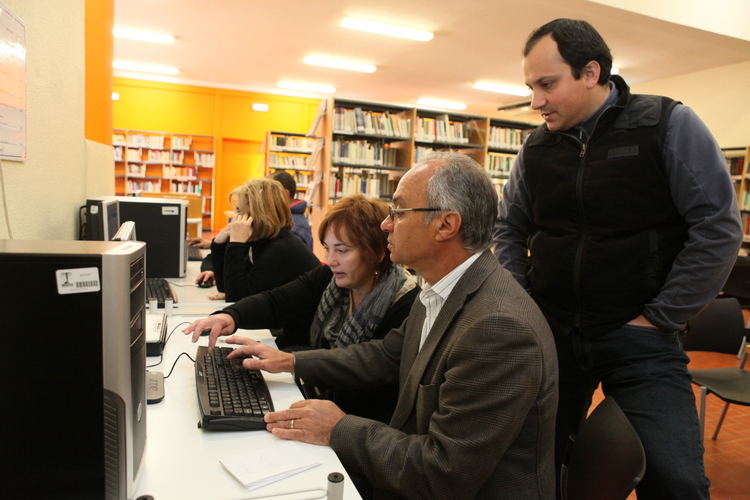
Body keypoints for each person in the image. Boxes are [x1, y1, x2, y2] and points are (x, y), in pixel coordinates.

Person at [186, 152, 558, 500]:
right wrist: (291, 362)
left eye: (398, 212)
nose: (386, 224)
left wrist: (338, 428)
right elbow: (385, 354)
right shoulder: (442, 291)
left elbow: (443, 472)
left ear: (446, 225)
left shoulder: (497, 327)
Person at [493, 19, 743, 500]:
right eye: (530, 88)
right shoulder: (536, 147)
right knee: (530, 466)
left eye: (547, 84)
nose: (536, 102)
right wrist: (525, 304)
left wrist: (660, 317)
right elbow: (508, 228)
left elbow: (718, 226)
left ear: (591, 73)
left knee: (677, 482)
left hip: (640, 337)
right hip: (553, 333)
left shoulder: (667, 124)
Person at [185, 194, 419, 423]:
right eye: (327, 248)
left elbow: (368, 367)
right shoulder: (330, 278)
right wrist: (230, 316)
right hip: (322, 398)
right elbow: (277, 302)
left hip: (358, 421)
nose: (331, 260)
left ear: (377, 252)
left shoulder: (405, 303)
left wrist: (290, 362)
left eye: (342, 250)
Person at [195, 177, 320, 301]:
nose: (236, 220)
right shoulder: (262, 241)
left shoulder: (281, 248)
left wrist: (236, 243)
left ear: (259, 216)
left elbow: (236, 298)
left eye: (239, 212)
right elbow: (225, 287)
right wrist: (219, 244)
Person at [270, 170, 314, 249]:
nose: (265, 197)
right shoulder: (283, 217)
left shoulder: (296, 225)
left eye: (269, 192)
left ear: (284, 194)